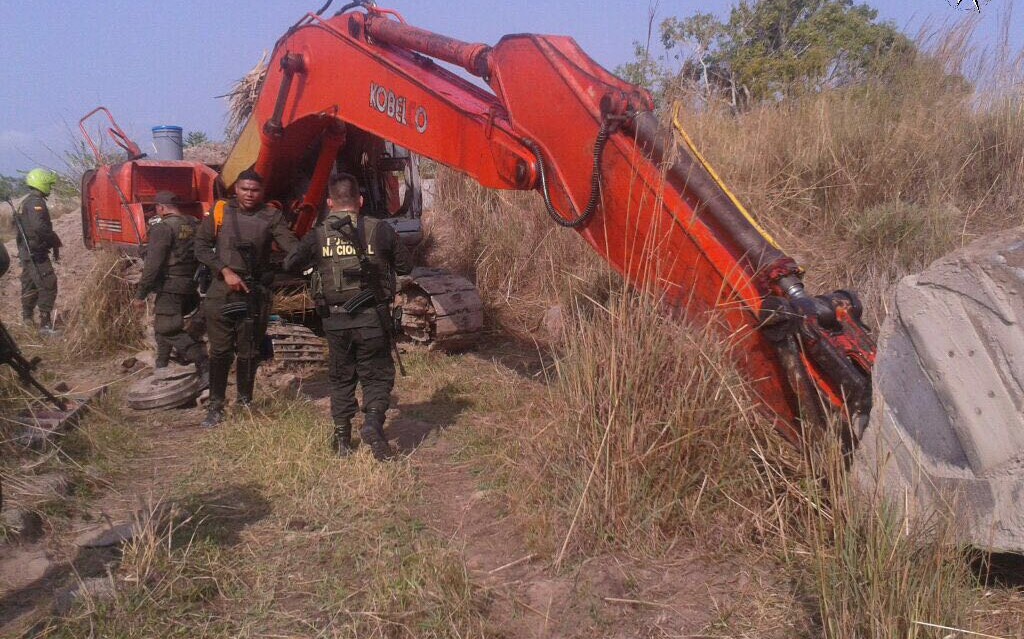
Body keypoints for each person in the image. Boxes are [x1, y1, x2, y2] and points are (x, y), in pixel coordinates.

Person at [284, 173, 413, 461]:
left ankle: (342, 440)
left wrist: (316, 267)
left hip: (335, 321)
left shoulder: (317, 235)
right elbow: (406, 266)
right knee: (377, 375)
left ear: (329, 202)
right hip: (371, 319)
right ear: (361, 201)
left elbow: (290, 263)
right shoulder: (379, 229)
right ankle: (372, 423)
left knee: (342, 378)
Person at [194, 169, 297, 428]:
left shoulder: (271, 216)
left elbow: (292, 246)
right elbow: (200, 247)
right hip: (222, 289)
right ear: (236, 189)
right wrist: (224, 271)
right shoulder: (220, 212)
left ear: (261, 192)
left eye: (255, 190)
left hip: (255, 292)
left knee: (249, 350)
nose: (249, 194)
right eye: (244, 189)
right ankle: (216, 406)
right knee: (220, 351)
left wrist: (313, 250)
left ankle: (245, 402)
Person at [132, 191, 208, 378]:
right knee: (162, 324)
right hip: (190, 284)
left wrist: (141, 294)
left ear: (161, 208)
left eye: (156, 209)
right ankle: (162, 364)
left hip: (170, 286)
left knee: (167, 328)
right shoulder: (193, 224)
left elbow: (153, 264)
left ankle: (204, 362)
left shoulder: (163, 228)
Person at [16, 168, 61, 332]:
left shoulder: (25, 201)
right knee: (48, 284)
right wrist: (53, 239)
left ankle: (27, 319)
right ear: (41, 183)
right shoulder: (36, 202)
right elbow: (39, 227)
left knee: (30, 285)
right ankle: (45, 325)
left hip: (27, 252)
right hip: (35, 252)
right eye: (49, 184)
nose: (50, 187)